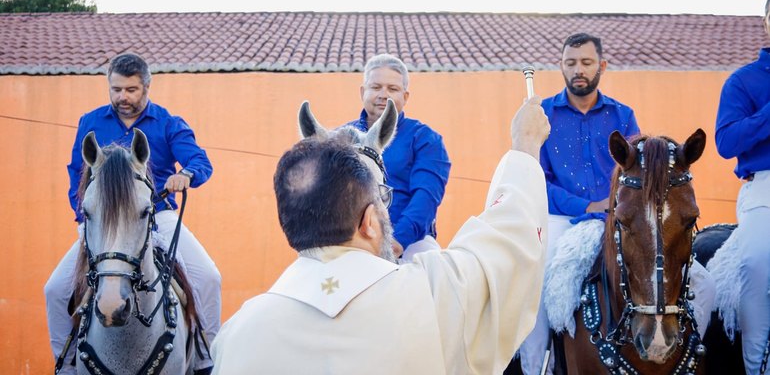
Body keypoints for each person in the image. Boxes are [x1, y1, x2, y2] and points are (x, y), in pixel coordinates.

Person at [211, 96, 551, 374]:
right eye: (382, 200)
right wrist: (525, 145)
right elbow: (510, 239)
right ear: (370, 222)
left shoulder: (236, 334)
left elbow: (425, 192)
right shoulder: (436, 296)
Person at [518, 32, 714, 374]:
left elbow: (641, 172)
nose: (578, 69)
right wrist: (586, 205)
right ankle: (537, 366)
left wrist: (615, 208)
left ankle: (690, 350)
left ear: (601, 66)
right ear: (561, 67)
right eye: (571, 63)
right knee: (535, 284)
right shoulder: (543, 115)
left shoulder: (622, 115)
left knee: (704, 284)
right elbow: (537, 177)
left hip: (622, 216)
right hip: (561, 217)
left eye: (586, 62)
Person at [44, 53, 219, 374]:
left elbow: (200, 162)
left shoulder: (168, 123)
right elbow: (76, 176)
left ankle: (207, 358)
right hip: (103, 223)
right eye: (116, 89)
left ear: (147, 88)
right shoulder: (91, 123)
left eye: (131, 90)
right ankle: (66, 364)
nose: (122, 97)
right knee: (54, 290)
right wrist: (86, 220)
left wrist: (187, 175)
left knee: (209, 277)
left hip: (156, 216)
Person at [348, 54, 450, 261]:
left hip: (410, 245)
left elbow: (426, 196)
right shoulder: (340, 138)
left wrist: (395, 242)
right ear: (362, 92)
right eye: (375, 87)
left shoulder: (425, 139)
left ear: (405, 96)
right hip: (348, 244)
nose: (383, 95)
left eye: (392, 89)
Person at [715, 0, 770, 374]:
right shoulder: (743, 81)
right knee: (756, 264)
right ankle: (756, 368)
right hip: (763, 186)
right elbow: (726, 142)